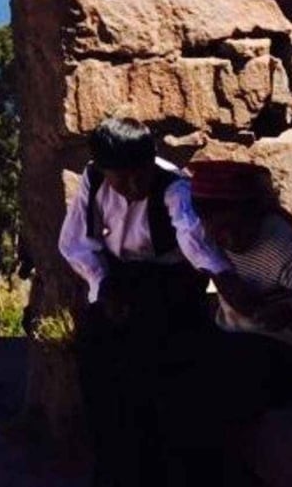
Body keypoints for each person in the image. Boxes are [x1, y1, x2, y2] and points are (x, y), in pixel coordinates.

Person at [58, 117, 252, 487]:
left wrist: (224, 279)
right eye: (123, 178)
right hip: (117, 282)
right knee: (101, 378)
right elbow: (76, 244)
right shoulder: (94, 178)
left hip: (169, 288)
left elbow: (194, 240)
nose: (134, 186)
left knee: (161, 387)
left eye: (140, 175)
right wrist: (104, 286)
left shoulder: (174, 187)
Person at [190, 160, 292, 416]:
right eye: (220, 231)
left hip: (279, 352)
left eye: (236, 228)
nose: (230, 240)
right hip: (231, 336)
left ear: (256, 215)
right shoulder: (205, 237)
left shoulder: (282, 253)